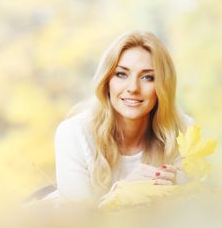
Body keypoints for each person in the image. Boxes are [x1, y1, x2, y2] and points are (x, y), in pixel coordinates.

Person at [45, 31, 193, 203]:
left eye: (148, 77)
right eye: (121, 74)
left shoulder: (183, 133)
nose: (133, 88)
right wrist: (123, 193)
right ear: (107, 81)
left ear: (163, 86)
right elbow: (78, 222)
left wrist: (180, 187)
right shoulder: (73, 134)